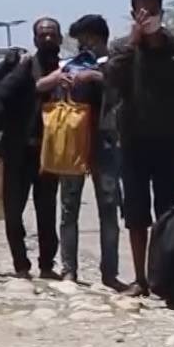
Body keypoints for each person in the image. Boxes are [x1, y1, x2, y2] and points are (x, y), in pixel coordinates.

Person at [105, 0, 174, 296]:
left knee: (168, 211)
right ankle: (140, 278)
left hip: (168, 140)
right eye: (142, 10)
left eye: (153, 9)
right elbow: (112, 82)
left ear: (162, 10)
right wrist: (133, 44)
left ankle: (164, 274)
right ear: (133, 13)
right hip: (132, 140)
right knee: (135, 213)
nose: (148, 16)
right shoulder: (121, 48)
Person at [57, 15, 124, 289]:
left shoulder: (117, 64)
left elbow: (123, 91)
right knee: (68, 207)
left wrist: (97, 76)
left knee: (109, 209)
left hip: (107, 143)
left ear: (97, 38)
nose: (82, 46)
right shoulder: (71, 65)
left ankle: (110, 273)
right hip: (75, 141)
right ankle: (69, 269)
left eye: (85, 40)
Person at [1, 18, 66, 279]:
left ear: (60, 38)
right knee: (13, 211)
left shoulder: (68, 68)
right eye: (42, 35)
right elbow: (6, 95)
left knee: (47, 211)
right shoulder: (24, 67)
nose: (48, 39)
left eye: (52, 34)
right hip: (18, 150)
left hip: (50, 152)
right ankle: (20, 264)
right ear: (35, 39)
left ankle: (47, 265)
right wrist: (43, 84)